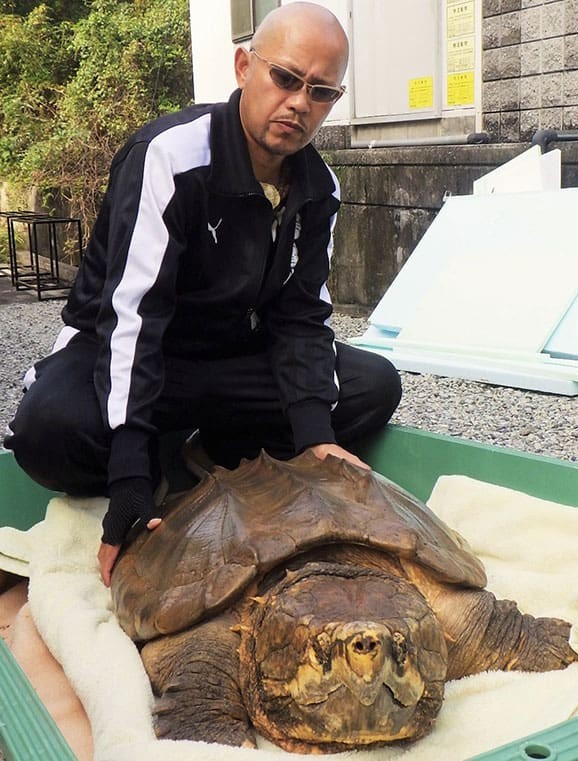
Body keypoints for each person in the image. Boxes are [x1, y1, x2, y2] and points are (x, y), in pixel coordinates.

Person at [4, 2, 402, 587]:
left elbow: (302, 315)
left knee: (372, 385)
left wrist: (316, 437)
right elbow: (134, 314)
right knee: (47, 429)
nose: (298, 103)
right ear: (244, 67)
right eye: (285, 78)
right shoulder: (169, 155)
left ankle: (212, 449)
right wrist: (130, 473)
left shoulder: (319, 188)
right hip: (129, 349)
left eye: (320, 92)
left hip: (229, 359)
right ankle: (161, 451)